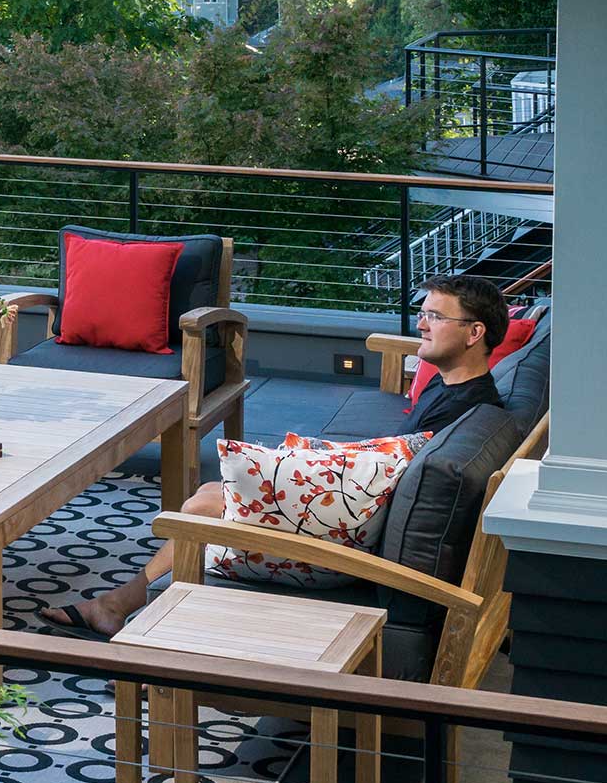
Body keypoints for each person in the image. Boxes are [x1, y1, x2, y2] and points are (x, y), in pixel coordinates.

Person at [40, 273, 510, 638]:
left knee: (202, 508)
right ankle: (122, 606)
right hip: (357, 517)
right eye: (422, 313)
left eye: (436, 317)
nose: (422, 324)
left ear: (474, 333)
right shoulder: (459, 392)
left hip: (349, 549)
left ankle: (146, 628)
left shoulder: (466, 406)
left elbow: (391, 480)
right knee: (213, 490)